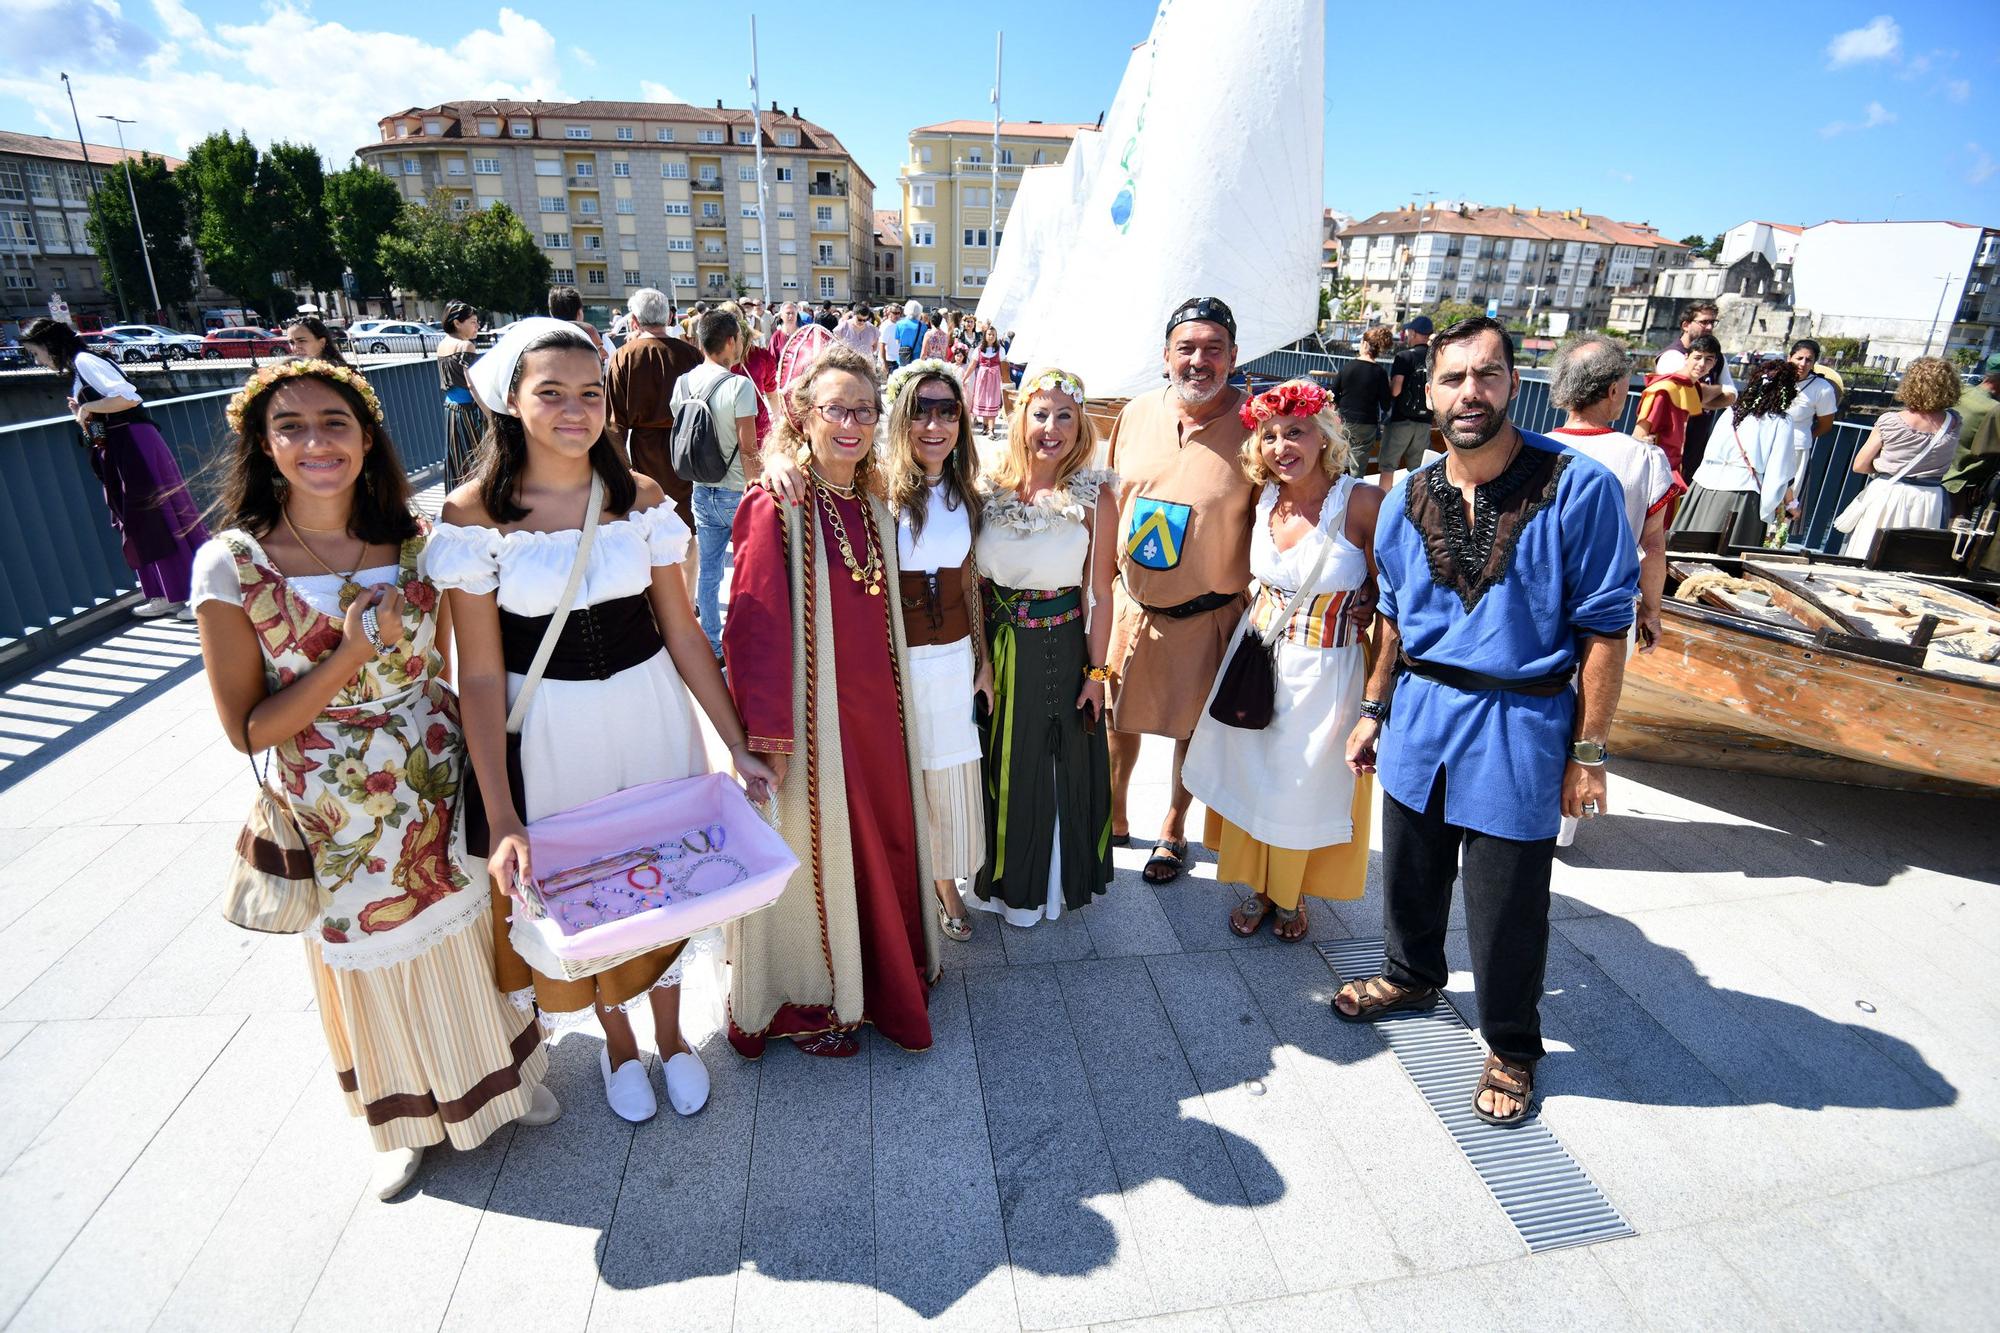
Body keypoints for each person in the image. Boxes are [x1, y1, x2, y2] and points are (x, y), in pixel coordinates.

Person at [190, 358, 560, 1201]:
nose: (316, 442)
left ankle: (503, 1077)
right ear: (263, 442)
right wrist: (352, 654)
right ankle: (398, 1121)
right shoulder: (232, 565)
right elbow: (247, 727)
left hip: (438, 774)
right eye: (292, 426)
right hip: (335, 805)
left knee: (469, 926)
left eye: (335, 423)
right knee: (370, 952)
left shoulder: (420, 538)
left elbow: (470, 670)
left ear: (367, 438)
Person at [434, 318, 777, 1123]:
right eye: (549, 392)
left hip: (651, 710)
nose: (574, 409)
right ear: (512, 402)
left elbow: (685, 631)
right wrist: (503, 811)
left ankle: (674, 1032)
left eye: (590, 392)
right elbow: (479, 674)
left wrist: (735, 744)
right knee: (591, 888)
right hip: (549, 727)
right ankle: (619, 1039)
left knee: (670, 868)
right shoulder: (473, 513)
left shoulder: (641, 499)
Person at [1336, 316, 1638, 1127]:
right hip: (1423, 710)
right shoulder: (1405, 496)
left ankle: (1511, 1043)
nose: (1471, 391)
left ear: (1514, 385)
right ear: (1427, 392)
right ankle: (1411, 973)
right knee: (1409, 866)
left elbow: (1607, 628)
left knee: (1508, 901)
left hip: (1521, 717)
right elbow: (1394, 613)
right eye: (1454, 377)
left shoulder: (1579, 486)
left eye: (1488, 374)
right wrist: (1374, 707)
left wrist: (1590, 751)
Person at [723, 343, 940, 1058]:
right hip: (814, 723)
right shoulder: (775, 500)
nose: (851, 422)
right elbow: (750, 623)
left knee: (880, 842)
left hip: (877, 716)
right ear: (802, 413)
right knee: (817, 852)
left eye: (864, 410)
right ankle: (814, 997)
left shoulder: (870, 495)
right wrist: (766, 738)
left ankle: (881, 972)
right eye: (835, 408)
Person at [1182, 379, 1383, 942]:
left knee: (1302, 786)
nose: (1281, 446)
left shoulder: (1361, 502)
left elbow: (1394, 593)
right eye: (1269, 436)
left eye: (1295, 432)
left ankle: (1290, 895)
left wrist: (1379, 687)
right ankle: (1261, 887)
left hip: (1329, 667)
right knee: (1256, 778)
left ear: (1325, 436)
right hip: (1259, 659)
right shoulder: (1264, 497)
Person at [1105, 297, 1257, 885]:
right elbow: (1110, 500)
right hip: (1131, 607)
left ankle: (1173, 826)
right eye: (1186, 348)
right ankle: (1115, 818)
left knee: (1193, 729)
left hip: (1209, 614)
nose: (1199, 361)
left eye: (1213, 349)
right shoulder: (1137, 412)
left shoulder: (1257, 426)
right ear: (1165, 355)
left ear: (1233, 357)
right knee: (1118, 720)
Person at [971, 367, 1117, 926]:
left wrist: (1097, 676)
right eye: (1041, 413)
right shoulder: (987, 487)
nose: (1051, 427)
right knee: (997, 761)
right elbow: (972, 583)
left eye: (1065, 415)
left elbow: (1100, 594)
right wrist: (982, 660)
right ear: (1020, 417)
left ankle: (1044, 881)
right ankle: (996, 873)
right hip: (995, 649)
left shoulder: (1097, 496)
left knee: (1049, 761)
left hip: (1059, 649)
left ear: (1081, 424)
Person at [884, 359, 991, 940]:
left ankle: (947, 882)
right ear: (900, 418)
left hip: (951, 661)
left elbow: (972, 584)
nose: (933, 424)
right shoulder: (875, 489)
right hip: (894, 663)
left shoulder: (967, 493)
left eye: (946, 411)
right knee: (907, 778)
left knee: (949, 776)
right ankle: (921, 885)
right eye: (920, 410)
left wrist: (984, 662)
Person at [20, 316, 209, 621]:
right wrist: (83, 412)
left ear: (49, 345)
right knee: (140, 518)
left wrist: (88, 408)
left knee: (156, 515)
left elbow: (128, 397)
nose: (37, 359)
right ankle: (167, 592)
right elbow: (104, 414)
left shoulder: (85, 361)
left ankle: (193, 593)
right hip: (124, 446)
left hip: (133, 445)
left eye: (36, 352)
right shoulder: (81, 364)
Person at [1548, 335, 1676, 649]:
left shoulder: (1531, 449)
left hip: (1537, 608)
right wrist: (1651, 610)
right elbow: (1652, 545)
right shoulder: (1644, 458)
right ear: (1613, 390)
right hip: (1607, 617)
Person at [606, 287, 705, 603]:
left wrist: (620, 468)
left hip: (643, 454)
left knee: (647, 530)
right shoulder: (690, 354)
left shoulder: (624, 356)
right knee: (688, 531)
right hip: (688, 450)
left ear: (634, 320)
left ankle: (656, 606)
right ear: (670, 317)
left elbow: (613, 423)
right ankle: (687, 603)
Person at [673, 309, 763, 656]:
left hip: (700, 488)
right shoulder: (738, 385)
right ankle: (747, 638)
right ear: (730, 341)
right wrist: (758, 491)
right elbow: (748, 447)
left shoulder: (683, 383)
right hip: (736, 491)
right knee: (749, 571)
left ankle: (711, 643)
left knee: (709, 571)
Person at [1670, 359, 1807, 549]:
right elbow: (1779, 470)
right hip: (1741, 494)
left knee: (1684, 548)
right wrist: (1770, 508)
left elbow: (1710, 450)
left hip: (1703, 487)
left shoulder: (1732, 412)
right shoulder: (1781, 421)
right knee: (1725, 557)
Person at [1838, 356, 1962, 557]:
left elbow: (1860, 465)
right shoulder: (1953, 422)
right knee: (1913, 559)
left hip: (1890, 493)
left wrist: (1881, 466)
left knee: (1868, 553)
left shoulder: (1891, 421)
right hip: (1929, 499)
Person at [1654, 302, 1736, 478]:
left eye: (1713, 322)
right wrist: (1718, 389)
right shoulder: (1672, 355)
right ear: (1686, 325)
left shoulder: (1717, 358)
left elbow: (1732, 394)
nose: (1709, 327)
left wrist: (1702, 397)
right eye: (1704, 322)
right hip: (1668, 442)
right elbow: (1686, 392)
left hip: (1697, 443)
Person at [1633, 331, 1720, 490]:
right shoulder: (1663, 390)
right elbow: (1639, 436)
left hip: (1673, 471)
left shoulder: (1692, 388)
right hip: (1654, 475)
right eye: (1697, 357)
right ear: (1686, 358)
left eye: (1708, 359)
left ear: (1714, 364)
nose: (1701, 364)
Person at [1380, 315, 1435, 491]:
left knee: (1388, 466)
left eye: (1409, 331)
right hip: (1425, 421)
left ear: (1415, 333)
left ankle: (1382, 506)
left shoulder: (1404, 356)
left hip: (1400, 420)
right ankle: (1414, 507)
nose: (1408, 334)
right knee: (1417, 470)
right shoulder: (1435, 358)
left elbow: (1396, 389)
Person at [1942, 353, 2000, 513]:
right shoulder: (1993, 409)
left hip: (1932, 478)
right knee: (1949, 535)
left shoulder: (1961, 393)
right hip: (1959, 487)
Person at [1335, 326, 1395, 480]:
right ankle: (1354, 496)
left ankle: (1334, 493)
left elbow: (1334, 393)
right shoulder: (1380, 372)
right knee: (1358, 466)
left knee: (1337, 460)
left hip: (1344, 420)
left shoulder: (1348, 367)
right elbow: (1386, 403)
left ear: (1365, 344)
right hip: (1366, 423)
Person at [435, 301, 482, 492]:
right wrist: (489, 414)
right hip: (468, 411)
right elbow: (471, 385)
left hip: (451, 409)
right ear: (457, 323)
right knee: (477, 458)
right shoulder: (465, 346)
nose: (477, 326)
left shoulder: (442, 344)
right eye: (473, 322)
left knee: (457, 457)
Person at [548, 285, 608, 369]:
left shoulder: (544, 345)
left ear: (552, 314)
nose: (605, 354)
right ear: (579, 313)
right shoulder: (598, 338)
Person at [968, 326, 1006, 436]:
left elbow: (1004, 366)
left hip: (994, 379)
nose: (991, 336)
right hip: (982, 378)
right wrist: (964, 378)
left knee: (992, 402)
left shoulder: (1000, 350)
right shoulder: (979, 349)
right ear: (985, 335)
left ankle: (991, 429)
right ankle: (985, 427)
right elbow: (972, 365)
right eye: (989, 334)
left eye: (993, 335)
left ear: (996, 336)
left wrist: (1005, 381)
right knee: (984, 401)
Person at [284, 314, 351, 368]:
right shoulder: (289, 372)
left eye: (301, 341)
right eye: (291, 342)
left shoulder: (343, 373)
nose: (295, 347)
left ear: (322, 342)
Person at [894, 301, 924, 368]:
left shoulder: (899, 324)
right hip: (917, 360)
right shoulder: (923, 326)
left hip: (903, 358)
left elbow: (897, 342)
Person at [878, 305, 902, 374]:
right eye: (895, 313)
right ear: (889, 313)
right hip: (889, 361)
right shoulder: (886, 326)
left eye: (898, 313)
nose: (897, 315)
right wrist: (884, 363)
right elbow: (882, 345)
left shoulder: (899, 324)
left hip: (898, 360)